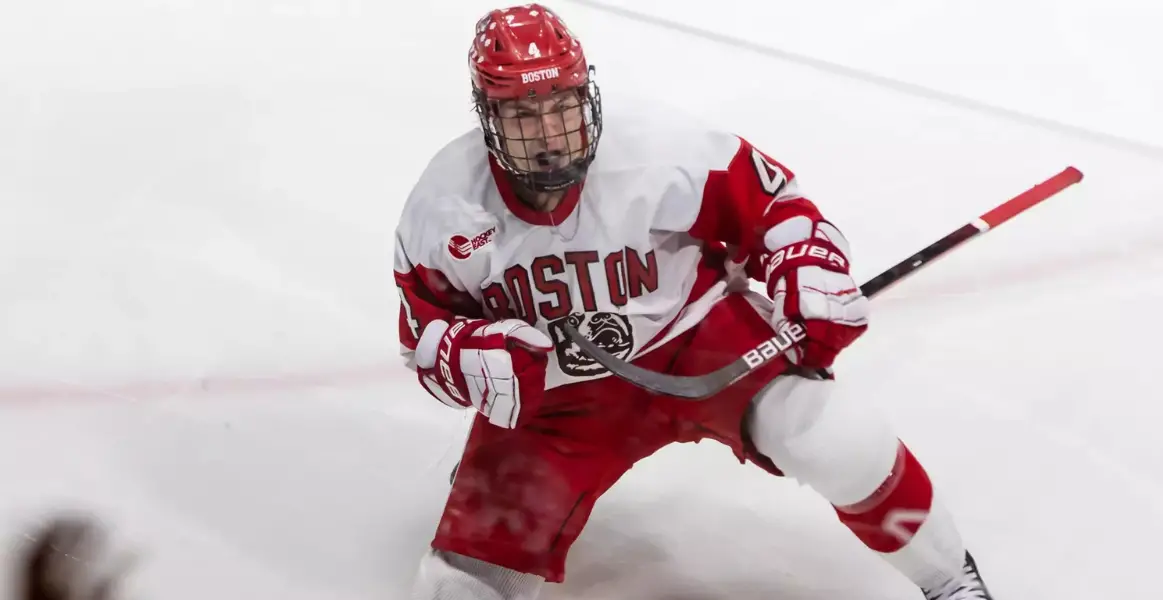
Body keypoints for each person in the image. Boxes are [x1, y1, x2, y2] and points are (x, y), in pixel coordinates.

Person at [393, 4, 995, 599]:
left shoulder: (663, 149)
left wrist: (806, 268)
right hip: (558, 398)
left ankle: (949, 579)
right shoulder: (445, 208)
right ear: (488, 115)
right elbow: (423, 332)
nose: (550, 135)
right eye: (524, 112)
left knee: (836, 436)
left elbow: (778, 208)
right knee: (460, 589)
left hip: (700, 341)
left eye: (562, 104)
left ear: (588, 96)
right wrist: (473, 357)